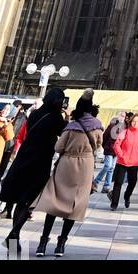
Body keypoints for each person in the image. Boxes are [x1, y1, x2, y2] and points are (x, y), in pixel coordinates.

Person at [33, 94, 103, 258]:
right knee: (74, 205)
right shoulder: (97, 126)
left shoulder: (72, 125)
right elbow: (98, 146)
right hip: (85, 166)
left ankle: (43, 242)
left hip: (66, 165)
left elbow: (58, 147)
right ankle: (61, 244)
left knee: (54, 202)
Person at [1, 87, 68, 254]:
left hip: (24, 157)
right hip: (39, 162)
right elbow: (63, 132)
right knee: (28, 200)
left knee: (21, 198)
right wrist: (66, 116)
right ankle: (13, 234)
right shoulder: (55, 117)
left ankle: (13, 236)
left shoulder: (36, 113)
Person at [110, 113, 138, 210]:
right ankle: (114, 204)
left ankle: (127, 197)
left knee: (132, 183)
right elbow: (116, 145)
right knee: (118, 183)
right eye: (134, 121)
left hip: (134, 162)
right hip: (122, 161)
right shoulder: (125, 132)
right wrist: (122, 155)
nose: (136, 123)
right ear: (131, 121)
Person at [92, 109, 125, 194]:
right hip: (109, 149)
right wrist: (105, 146)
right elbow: (105, 136)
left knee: (111, 168)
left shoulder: (124, 128)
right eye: (121, 115)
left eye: (124, 116)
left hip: (117, 151)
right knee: (107, 166)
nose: (122, 118)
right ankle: (95, 182)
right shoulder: (112, 125)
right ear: (118, 116)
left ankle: (106, 186)